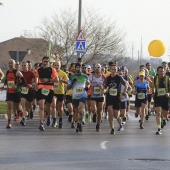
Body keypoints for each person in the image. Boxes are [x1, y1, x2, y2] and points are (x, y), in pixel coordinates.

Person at [0, 59, 26, 128]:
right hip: (9, 92)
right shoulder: (7, 72)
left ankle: (21, 112)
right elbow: (6, 80)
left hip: (16, 92)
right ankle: (9, 122)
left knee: (17, 107)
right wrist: (3, 86)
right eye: (9, 63)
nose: (10, 64)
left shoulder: (17, 72)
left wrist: (17, 85)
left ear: (14, 65)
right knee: (9, 106)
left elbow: (24, 82)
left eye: (12, 63)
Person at [35, 56, 58, 131]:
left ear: (49, 62)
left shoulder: (52, 69)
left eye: (47, 62)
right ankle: (41, 123)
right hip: (41, 88)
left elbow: (57, 80)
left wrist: (48, 80)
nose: (45, 63)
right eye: (44, 61)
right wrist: (36, 84)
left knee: (48, 106)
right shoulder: (38, 69)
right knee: (41, 106)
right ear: (42, 61)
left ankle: (49, 115)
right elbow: (36, 77)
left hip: (49, 89)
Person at [104, 64, 128, 134]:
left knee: (116, 115)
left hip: (117, 97)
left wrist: (123, 93)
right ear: (110, 70)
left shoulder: (119, 77)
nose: (113, 71)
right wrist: (104, 90)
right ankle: (112, 128)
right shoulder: (107, 78)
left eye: (115, 69)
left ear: (117, 70)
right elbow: (105, 87)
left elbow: (126, 84)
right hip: (109, 97)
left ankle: (121, 125)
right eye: (112, 69)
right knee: (110, 112)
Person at [67, 63, 90, 133]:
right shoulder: (71, 77)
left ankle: (79, 124)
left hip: (83, 95)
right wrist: (72, 83)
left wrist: (87, 87)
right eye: (76, 67)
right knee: (75, 111)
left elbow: (88, 83)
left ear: (81, 68)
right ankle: (77, 123)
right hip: (75, 96)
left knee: (80, 110)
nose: (78, 69)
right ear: (75, 68)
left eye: (79, 67)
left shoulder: (85, 76)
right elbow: (68, 87)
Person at [152, 66, 170, 135]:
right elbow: (153, 87)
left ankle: (164, 119)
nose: (162, 73)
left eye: (163, 71)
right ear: (157, 72)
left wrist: (168, 93)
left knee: (165, 113)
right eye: (160, 71)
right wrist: (153, 93)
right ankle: (159, 128)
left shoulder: (168, 79)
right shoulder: (155, 78)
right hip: (158, 97)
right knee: (158, 113)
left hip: (165, 98)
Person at [52, 60, 69, 128]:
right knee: (53, 105)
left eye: (57, 65)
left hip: (61, 92)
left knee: (60, 107)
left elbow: (68, 82)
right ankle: (54, 120)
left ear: (60, 66)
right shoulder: (51, 72)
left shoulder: (63, 73)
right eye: (55, 65)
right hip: (53, 92)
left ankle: (60, 120)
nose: (56, 66)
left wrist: (62, 80)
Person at [89, 63, 105, 132]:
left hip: (101, 95)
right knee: (93, 109)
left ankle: (98, 125)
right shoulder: (91, 76)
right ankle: (94, 114)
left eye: (98, 67)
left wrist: (102, 88)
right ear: (94, 68)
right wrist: (89, 85)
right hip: (93, 95)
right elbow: (88, 83)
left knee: (100, 111)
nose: (97, 68)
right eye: (96, 67)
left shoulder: (103, 77)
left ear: (100, 69)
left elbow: (106, 87)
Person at [20, 61, 35, 126]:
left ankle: (30, 110)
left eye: (24, 65)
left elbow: (35, 81)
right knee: (23, 103)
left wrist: (32, 85)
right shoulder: (21, 73)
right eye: (22, 65)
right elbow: (18, 81)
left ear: (27, 66)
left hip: (30, 90)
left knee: (29, 104)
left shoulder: (31, 73)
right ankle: (23, 118)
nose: (23, 67)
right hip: (23, 90)